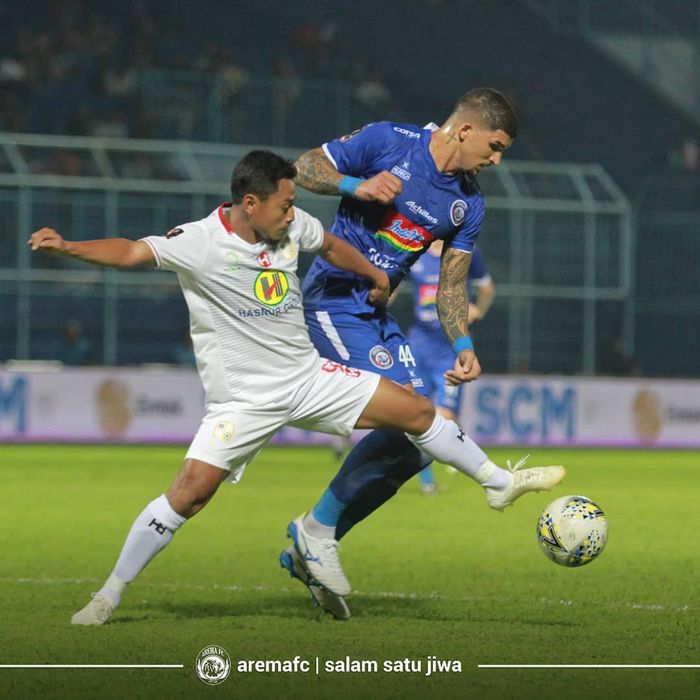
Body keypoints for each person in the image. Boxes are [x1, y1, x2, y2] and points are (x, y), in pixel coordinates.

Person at [28, 150, 564, 625]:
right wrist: (68, 246)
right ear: (249, 202)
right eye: (284, 204)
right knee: (189, 495)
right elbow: (129, 252)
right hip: (245, 400)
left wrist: (376, 277)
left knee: (418, 412)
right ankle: (109, 595)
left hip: (309, 378)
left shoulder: (291, 225)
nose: (293, 212)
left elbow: (330, 245)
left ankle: (496, 482)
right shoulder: (199, 242)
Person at [279, 88, 562, 617]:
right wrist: (353, 186)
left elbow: (453, 285)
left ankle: (313, 537)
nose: (497, 159)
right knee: (413, 417)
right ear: (465, 130)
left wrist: (463, 343)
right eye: (495, 146)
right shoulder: (389, 141)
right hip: (333, 303)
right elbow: (302, 168)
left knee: (417, 446)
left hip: (378, 317)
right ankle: (321, 533)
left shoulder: (469, 203)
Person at [409, 242, 496, 494]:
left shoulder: (466, 252)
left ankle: (457, 447)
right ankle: (427, 481)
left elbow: (487, 288)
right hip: (418, 345)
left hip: (451, 347)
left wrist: (478, 309)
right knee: (416, 414)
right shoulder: (414, 249)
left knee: (443, 416)